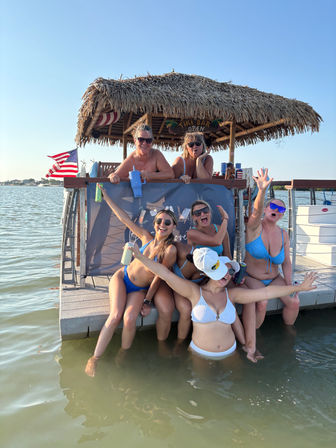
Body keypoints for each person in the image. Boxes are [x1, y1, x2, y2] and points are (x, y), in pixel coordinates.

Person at [131, 245, 317, 360]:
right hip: (200, 355)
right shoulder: (195, 293)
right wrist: (140, 257)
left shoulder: (233, 294)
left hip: (230, 353)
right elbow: (165, 274)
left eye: (230, 272)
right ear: (211, 271)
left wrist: (298, 288)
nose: (227, 275)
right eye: (224, 270)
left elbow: (266, 291)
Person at [85, 186, 177, 377]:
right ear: (154, 223)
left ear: (173, 226)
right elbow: (123, 218)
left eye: (167, 222)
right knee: (116, 314)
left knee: (129, 318)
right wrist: (107, 197)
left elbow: (160, 277)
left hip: (138, 289)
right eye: (159, 220)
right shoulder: (146, 237)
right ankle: (95, 358)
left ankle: (123, 353)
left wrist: (148, 300)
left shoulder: (169, 251)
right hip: (122, 277)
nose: (162, 224)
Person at [242, 168, 300, 362]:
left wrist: (290, 285)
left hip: (275, 279)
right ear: (266, 209)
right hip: (253, 278)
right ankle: (255, 336)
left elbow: (287, 263)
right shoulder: (253, 227)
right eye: (273, 207)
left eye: (281, 209)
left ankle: (288, 333)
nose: (276, 210)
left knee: (294, 302)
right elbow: (255, 211)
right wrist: (262, 190)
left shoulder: (283, 234)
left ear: (283, 214)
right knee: (262, 303)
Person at [173, 204, 231, 340]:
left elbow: (227, 257)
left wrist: (232, 275)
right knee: (186, 311)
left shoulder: (221, 229)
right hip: (185, 278)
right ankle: (179, 344)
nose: (202, 214)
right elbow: (216, 242)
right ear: (194, 218)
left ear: (210, 213)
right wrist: (226, 219)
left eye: (205, 211)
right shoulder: (192, 233)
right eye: (197, 213)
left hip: (206, 279)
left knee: (221, 304)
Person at [108, 124, 173, 183]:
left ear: (152, 142)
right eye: (141, 139)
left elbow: (170, 174)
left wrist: (150, 175)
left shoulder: (156, 155)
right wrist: (112, 176)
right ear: (135, 140)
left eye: (148, 140)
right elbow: (114, 176)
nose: (144, 143)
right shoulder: (131, 160)